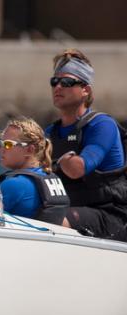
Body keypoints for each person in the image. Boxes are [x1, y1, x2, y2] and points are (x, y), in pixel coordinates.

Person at [45, 48, 127, 240]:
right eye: (54, 82)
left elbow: (77, 169)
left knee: (47, 218)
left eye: (66, 82)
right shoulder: (50, 132)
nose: (58, 87)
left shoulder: (102, 125)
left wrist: (60, 162)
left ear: (85, 90)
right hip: (72, 208)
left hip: (111, 214)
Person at [0, 117, 69, 224]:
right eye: (2, 143)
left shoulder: (14, 185)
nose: (1, 149)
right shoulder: (52, 179)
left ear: (29, 150)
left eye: (8, 144)